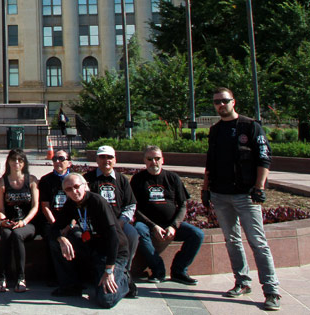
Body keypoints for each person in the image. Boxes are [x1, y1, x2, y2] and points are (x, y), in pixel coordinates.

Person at [202, 87, 280, 311]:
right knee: (232, 240)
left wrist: (259, 187)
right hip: (221, 194)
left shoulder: (250, 126)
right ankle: (242, 282)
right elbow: (211, 162)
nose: (221, 105)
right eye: (217, 102)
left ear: (233, 102)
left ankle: (271, 290)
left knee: (257, 242)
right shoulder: (216, 130)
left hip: (246, 195)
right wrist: (206, 189)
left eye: (224, 101)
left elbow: (264, 158)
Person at [49, 173, 132, 308]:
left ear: (85, 186)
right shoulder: (71, 204)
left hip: (113, 254)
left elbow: (114, 238)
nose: (74, 191)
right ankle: (71, 286)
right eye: (69, 189)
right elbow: (54, 229)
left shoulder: (97, 201)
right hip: (93, 249)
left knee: (106, 300)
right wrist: (61, 238)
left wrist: (109, 270)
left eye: (76, 187)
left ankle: (125, 280)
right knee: (56, 243)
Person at [130, 146, 203, 285]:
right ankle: (158, 270)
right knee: (138, 230)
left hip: (170, 224)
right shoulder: (138, 179)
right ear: (144, 161)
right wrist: (153, 226)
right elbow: (135, 208)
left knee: (197, 235)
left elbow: (182, 205)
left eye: (157, 158)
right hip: (146, 224)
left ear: (163, 160)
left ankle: (179, 270)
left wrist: (174, 226)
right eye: (149, 159)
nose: (154, 162)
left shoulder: (172, 178)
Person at [0, 148, 40, 293]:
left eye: (20, 160)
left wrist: (24, 222)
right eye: (14, 160)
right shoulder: (2, 182)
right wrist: (3, 220)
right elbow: (0, 208)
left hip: (27, 222)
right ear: (9, 162)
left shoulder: (31, 180)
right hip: (9, 221)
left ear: (24, 163)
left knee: (17, 235)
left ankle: (21, 278)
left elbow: (35, 206)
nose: (17, 163)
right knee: (6, 235)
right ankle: (2, 278)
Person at [85, 145, 139, 262]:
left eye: (109, 157)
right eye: (102, 157)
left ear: (115, 160)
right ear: (97, 160)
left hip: (119, 222)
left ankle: (125, 270)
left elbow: (130, 205)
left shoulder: (122, 180)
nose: (106, 160)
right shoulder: (87, 179)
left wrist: (121, 222)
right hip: (96, 224)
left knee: (132, 235)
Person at [37, 148, 73, 280]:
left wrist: (69, 225)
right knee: (53, 239)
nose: (57, 161)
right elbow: (45, 207)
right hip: (51, 221)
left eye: (61, 159)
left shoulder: (75, 179)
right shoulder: (46, 180)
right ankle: (56, 277)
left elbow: (79, 205)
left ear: (69, 162)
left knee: (77, 238)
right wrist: (56, 225)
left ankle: (77, 275)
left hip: (71, 222)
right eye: (55, 159)